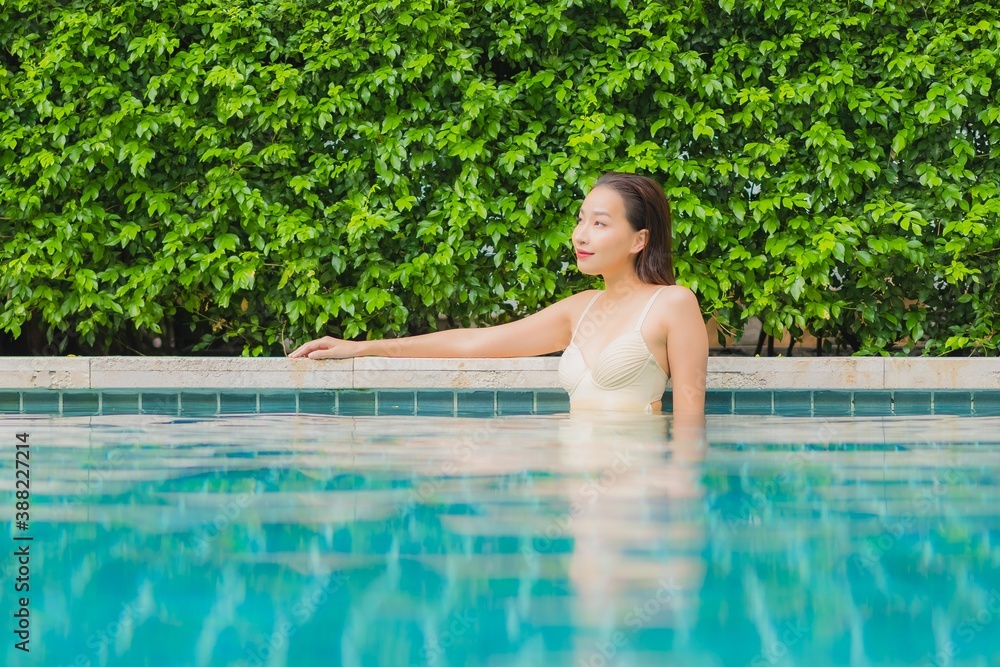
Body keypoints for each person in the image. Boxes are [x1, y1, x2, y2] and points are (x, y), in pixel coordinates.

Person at [289, 172, 709, 415]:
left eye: (600, 223)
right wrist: (361, 348)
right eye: (581, 220)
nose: (580, 234)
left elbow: (690, 410)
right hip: (576, 478)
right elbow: (474, 342)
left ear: (639, 240)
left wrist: (676, 492)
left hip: (635, 482)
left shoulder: (672, 303)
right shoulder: (580, 311)